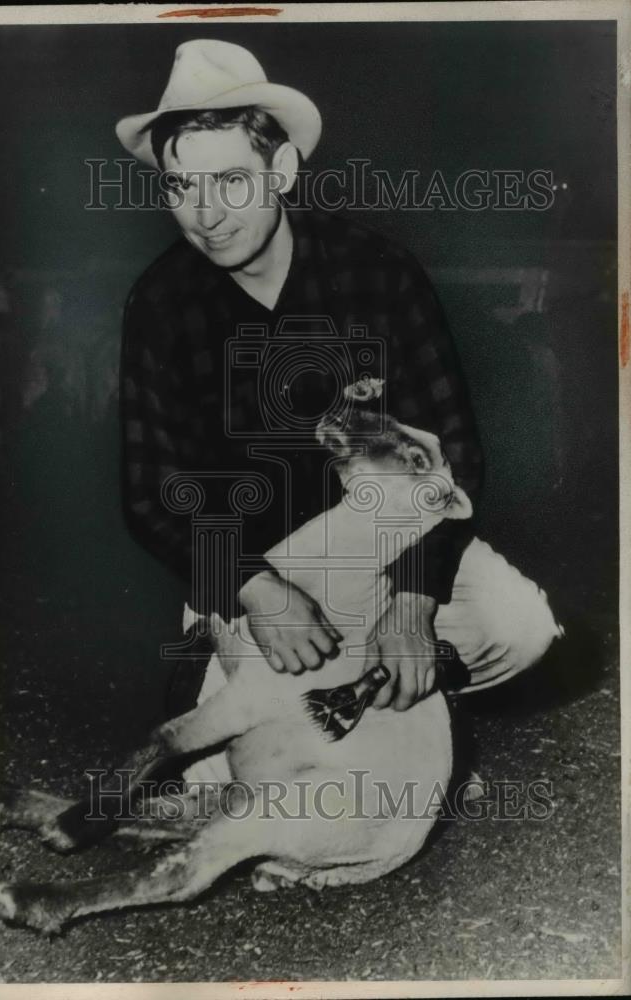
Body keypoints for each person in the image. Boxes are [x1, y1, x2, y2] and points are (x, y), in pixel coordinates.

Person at [116, 39, 561, 722]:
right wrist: (253, 588)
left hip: (383, 544)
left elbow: (455, 452)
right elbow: (151, 496)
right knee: (233, 756)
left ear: (283, 169)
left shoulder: (378, 273)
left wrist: (414, 603)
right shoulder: (160, 304)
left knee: (519, 626)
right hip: (252, 562)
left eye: (232, 181)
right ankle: (313, 693)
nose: (205, 215)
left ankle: (380, 694)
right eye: (182, 186)